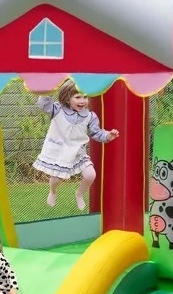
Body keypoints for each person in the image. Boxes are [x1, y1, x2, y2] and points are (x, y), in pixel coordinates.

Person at [32, 80, 119, 211]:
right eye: (78, 97)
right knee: (56, 180)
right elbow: (44, 104)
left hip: (77, 153)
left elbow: (96, 133)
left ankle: (79, 194)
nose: (82, 101)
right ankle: (53, 191)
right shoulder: (57, 110)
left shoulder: (90, 116)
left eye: (85, 97)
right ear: (67, 99)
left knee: (91, 175)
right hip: (59, 153)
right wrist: (48, 86)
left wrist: (108, 135)